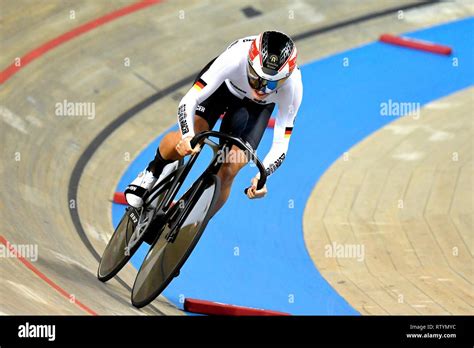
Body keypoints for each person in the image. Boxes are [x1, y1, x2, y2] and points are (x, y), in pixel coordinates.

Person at [125, 30, 303, 214]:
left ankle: (193, 220)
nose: (261, 89)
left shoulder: (293, 87)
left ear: (285, 78)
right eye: (255, 78)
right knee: (196, 133)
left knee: (230, 168)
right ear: (249, 63)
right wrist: (187, 136)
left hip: (256, 109)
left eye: (271, 84)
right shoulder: (234, 58)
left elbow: (281, 143)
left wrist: (262, 177)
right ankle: (154, 169)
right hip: (222, 87)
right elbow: (188, 101)